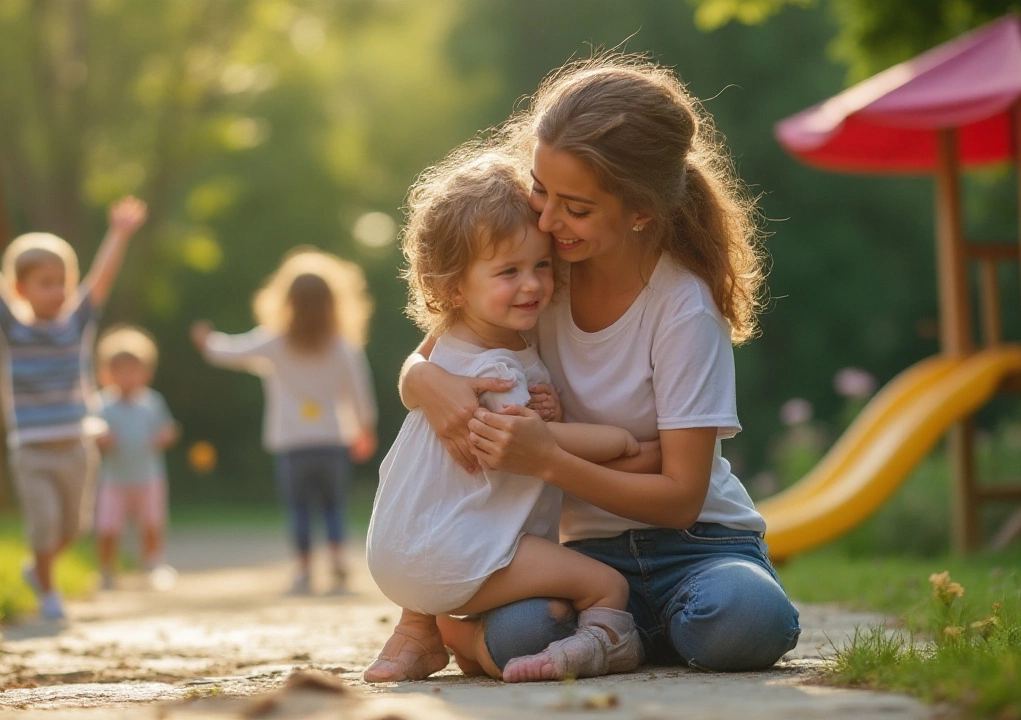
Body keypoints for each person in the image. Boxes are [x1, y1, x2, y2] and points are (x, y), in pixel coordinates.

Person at [399, 55, 802, 680]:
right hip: (584, 559)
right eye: (540, 189)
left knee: (744, 617)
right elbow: (432, 355)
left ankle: (643, 630)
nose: (547, 219)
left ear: (640, 210)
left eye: (575, 208)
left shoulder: (682, 308)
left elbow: (679, 498)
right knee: (520, 634)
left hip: (698, 549)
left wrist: (548, 460)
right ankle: (625, 633)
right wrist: (425, 384)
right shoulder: (537, 278)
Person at [363, 151, 656, 684]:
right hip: (456, 554)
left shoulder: (451, 347)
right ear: (455, 287)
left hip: (399, 550)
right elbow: (537, 443)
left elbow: (513, 418)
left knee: (457, 518)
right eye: (508, 272)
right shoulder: (495, 368)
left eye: (541, 265)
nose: (532, 284)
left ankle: (419, 633)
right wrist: (616, 439)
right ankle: (611, 646)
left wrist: (544, 405)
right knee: (605, 585)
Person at [0, 185, 147, 620]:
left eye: (62, 281)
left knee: (74, 528)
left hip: (76, 449)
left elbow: (101, 279)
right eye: (46, 283)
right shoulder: (13, 327)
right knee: (44, 528)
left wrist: (118, 234)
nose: (58, 290)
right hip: (33, 451)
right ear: (21, 289)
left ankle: (34, 569)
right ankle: (48, 592)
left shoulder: (76, 325)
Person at [190, 248, 377, 596]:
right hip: (332, 441)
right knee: (333, 504)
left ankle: (304, 568)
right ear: (335, 302)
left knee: (300, 508)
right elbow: (359, 392)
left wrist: (207, 343)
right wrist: (365, 428)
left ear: (285, 300)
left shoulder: (274, 342)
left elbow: (234, 350)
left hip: (292, 443)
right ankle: (337, 559)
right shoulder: (341, 346)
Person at [94, 325, 179, 591]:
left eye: (134, 370)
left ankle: (153, 563)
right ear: (107, 374)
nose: (128, 377)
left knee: (152, 523)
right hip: (114, 479)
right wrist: (102, 439)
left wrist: (164, 437)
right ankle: (107, 570)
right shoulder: (101, 404)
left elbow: (169, 429)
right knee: (108, 527)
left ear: (145, 373)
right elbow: (92, 431)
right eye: (121, 370)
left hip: (148, 477)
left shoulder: (152, 402)